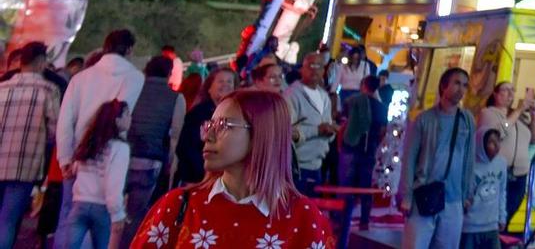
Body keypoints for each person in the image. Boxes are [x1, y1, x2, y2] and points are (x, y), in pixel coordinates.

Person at [129, 89, 333, 249]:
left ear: (262, 134)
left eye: (223, 125)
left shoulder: (304, 218)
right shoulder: (178, 205)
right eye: (209, 126)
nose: (208, 137)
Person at [56, 31, 143, 245]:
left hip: (79, 156)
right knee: (100, 227)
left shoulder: (81, 78)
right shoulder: (135, 77)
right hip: (109, 156)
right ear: (130, 50)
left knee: (69, 219)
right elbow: (120, 115)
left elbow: (65, 121)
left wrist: (65, 158)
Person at [399, 67, 474, 249]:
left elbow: (469, 159)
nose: (461, 89)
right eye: (457, 83)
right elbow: (409, 158)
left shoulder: (467, 120)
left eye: (465, 85)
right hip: (423, 194)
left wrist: (467, 194)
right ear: (443, 85)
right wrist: (406, 196)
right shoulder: (424, 119)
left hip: (453, 199)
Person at [0, 42, 59, 249]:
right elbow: (54, 131)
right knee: (7, 221)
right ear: (42, 61)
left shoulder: (2, 88)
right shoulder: (48, 90)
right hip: (24, 166)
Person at [120, 56, 182, 246]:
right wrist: (169, 165)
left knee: (112, 210)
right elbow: (174, 137)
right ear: (169, 73)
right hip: (150, 162)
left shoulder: (133, 90)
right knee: (136, 214)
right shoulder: (175, 98)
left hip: (122, 157)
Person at [60, 99, 128, 249]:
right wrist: (117, 213)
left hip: (79, 203)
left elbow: (76, 170)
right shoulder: (120, 148)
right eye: (126, 115)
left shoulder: (88, 144)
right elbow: (114, 184)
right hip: (102, 207)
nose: (129, 119)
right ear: (117, 120)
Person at [475, 81, 535, 227]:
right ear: (495, 94)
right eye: (505, 90)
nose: (511, 94)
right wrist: (518, 111)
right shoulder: (488, 113)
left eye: (513, 90)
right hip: (498, 174)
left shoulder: (520, 116)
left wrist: (534, 117)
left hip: (519, 175)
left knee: (507, 214)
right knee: (494, 214)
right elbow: (498, 133)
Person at [284, 54, 336, 195]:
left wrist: (330, 132)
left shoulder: (324, 96)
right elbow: (286, 132)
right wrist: (317, 130)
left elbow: (327, 126)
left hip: (317, 167)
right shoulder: (291, 95)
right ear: (302, 69)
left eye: (319, 66)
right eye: (310, 66)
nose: (314, 70)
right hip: (296, 169)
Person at [174, 70, 234, 189]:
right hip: (197, 178)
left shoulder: (237, 115)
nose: (225, 85)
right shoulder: (199, 114)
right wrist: (203, 173)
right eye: (220, 81)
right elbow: (186, 147)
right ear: (209, 88)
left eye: (229, 81)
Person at [336, 76, 380, 220]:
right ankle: (364, 219)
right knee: (365, 187)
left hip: (350, 148)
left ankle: (341, 217)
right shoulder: (381, 107)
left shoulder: (351, 101)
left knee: (346, 185)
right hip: (369, 151)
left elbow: (342, 123)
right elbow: (383, 131)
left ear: (363, 85)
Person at [462, 129, 507, 249]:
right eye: (491, 142)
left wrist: (502, 216)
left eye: (498, 141)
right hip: (469, 226)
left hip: (491, 226)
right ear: (481, 144)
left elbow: (502, 192)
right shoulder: (469, 164)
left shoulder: (501, 163)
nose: (496, 146)